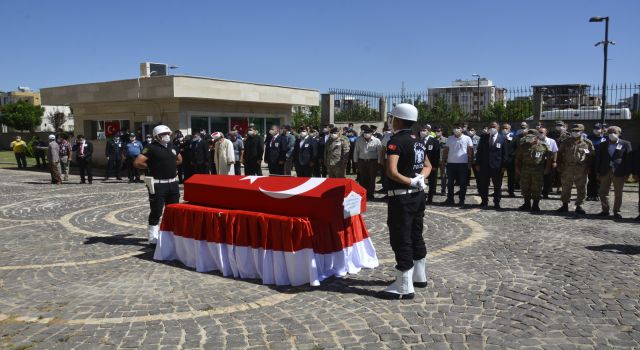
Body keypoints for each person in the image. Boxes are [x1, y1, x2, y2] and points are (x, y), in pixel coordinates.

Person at [378, 103, 432, 300]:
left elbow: (391, 171)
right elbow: (428, 165)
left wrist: (410, 180)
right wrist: (420, 178)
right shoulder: (417, 140)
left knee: (401, 236)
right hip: (417, 195)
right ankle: (419, 276)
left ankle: (403, 286)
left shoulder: (396, 141)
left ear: (397, 119)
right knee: (416, 233)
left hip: (401, 196)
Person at [134, 125, 182, 244]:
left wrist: (169, 166)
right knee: (156, 211)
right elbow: (138, 162)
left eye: (168, 133)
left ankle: (170, 234)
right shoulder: (150, 148)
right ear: (156, 136)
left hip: (173, 183)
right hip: (158, 184)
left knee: (173, 211)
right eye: (163, 134)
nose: (166, 136)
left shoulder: (172, 146)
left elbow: (179, 160)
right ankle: (153, 237)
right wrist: (152, 166)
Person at [594, 126, 632, 219]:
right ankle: (605, 210)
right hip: (605, 171)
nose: (612, 134)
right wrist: (597, 171)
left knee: (618, 193)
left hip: (619, 172)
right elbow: (598, 159)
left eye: (614, 132)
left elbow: (628, 159)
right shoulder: (603, 144)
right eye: (610, 132)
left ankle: (616, 211)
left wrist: (628, 173)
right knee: (603, 192)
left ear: (619, 133)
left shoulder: (626, 144)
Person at [556, 124, 595, 214]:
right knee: (566, 186)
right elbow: (560, 153)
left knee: (581, 187)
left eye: (577, 131)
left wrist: (588, 167)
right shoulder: (566, 142)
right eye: (573, 130)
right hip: (568, 167)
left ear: (581, 132)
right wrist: (559, 165)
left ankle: (579, 206)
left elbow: (591, 156)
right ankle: (564, 205)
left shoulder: (587, 143)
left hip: (581, 168)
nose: (575, 132)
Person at [515, 130, 553, 212]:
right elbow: (518, 158)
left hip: (538, 170)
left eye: (531, 137)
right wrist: (517, 168)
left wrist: (547, 169)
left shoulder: (544, 146)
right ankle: (526, 204)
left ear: (536, 137)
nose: (529, 139)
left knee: (537, 187)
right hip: (525, 169)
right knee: (525, 187)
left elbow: (549, 159)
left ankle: (535, 205)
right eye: (528, 137)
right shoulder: (523, 146)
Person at [442, 123, 474, 207]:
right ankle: (450, 199)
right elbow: (446, 150)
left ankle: (461, 200)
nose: (456, 129)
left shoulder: (467, 138)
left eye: (458, 128)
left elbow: (470, 151)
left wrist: (470, 163)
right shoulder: (449, 138)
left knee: (463, 183)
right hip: (451, 164)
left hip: (463, 164)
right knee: (450, 183)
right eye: (455, 127)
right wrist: (443, 161)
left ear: (462, 129)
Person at [475, 122, 505, 209]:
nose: (492, 128)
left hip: (497, 166)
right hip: (485, 166)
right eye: (491, 126)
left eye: (494, 126)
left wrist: (503, 166)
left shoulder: (502, 138)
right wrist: (477, 163)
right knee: (484, 185)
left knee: (497, 185)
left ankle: (496, 202)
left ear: (498, 128)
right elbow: (479, 151)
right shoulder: (484, 138)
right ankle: (484, 201)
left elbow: (504, 154)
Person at [353, 126, 382, 199]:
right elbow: (356, 151)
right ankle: (363, 193)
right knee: (363, 178)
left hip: (373, 162)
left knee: (372, 178)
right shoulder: (359, 140)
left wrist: (379, 163)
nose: (366, 134)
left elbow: (379, 153)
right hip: (362, 161)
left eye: (368, 133)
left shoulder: (377, 141)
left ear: (371, 133)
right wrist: (355, 162)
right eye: (365, 132)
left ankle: (370, 194)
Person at [586, 123, 608, 201]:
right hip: (591, 160)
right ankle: (590, 195)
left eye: (598, 128)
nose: (596, 130)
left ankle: (597, 194)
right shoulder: (589, 138)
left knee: (599, 179)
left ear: (602, 129)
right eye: (595, 128)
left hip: (601, 161)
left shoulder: (606, 138)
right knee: (591, 178)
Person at [419, 125, 440, 204]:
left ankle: (430, 198)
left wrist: (435, 166)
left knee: (432, 183)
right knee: (420, 182)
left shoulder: (434, 141)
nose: (423, 132)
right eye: (422, 130)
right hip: (420, 166)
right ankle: (421, 197)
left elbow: (436, 155)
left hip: (431, 166)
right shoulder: (418, 140)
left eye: (424, 130)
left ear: (429, 131)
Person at [539, 128, 559, 199]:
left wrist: (554, 161)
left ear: (546, 133)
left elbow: (555, 152)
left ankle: (545, 193)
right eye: (539, 132)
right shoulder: (535, 140)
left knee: (548, 179)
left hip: (548, 161)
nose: (540, 133)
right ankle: (537, 193)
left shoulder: (551, 141)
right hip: (538, 162)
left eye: (542, 132)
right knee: (538, 178)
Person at [500, 123, 518, 197]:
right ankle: (498, 191)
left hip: (511, 161)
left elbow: (517, 148)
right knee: (499, 177)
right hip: (500, 161)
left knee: (511, 177)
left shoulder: (514, 138)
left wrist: (513, 155)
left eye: (506, 128)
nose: (505, 129)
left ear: (510, 129)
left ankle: (511, 191)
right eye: (503, 128)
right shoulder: (499, 137)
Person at [435, 127, 448, 196]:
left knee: (444, 176)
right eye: (436, 131)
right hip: (434, 161)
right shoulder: (433, 140)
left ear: (442, 132)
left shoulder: (446, 140)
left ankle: (443, 190)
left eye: (439, 131)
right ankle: (433, 190)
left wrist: (446, 160)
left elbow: (448, 151)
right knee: (433, 176)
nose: (437, 132)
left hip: (443, 160)